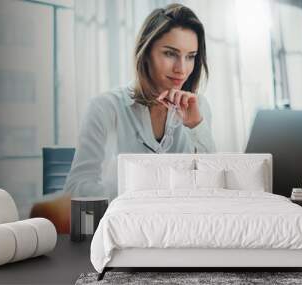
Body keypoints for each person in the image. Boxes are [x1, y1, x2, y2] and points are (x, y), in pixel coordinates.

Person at [63, 3, 216, 201]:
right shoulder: (105, 108)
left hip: (181, 225)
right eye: (170, 53)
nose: (182, 69)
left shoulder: (198, 107)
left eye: (190, 57)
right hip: (125, 224)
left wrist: (196, 126)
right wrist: (146, 192)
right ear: (146, 53)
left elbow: (211, 184)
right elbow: (76, 188)